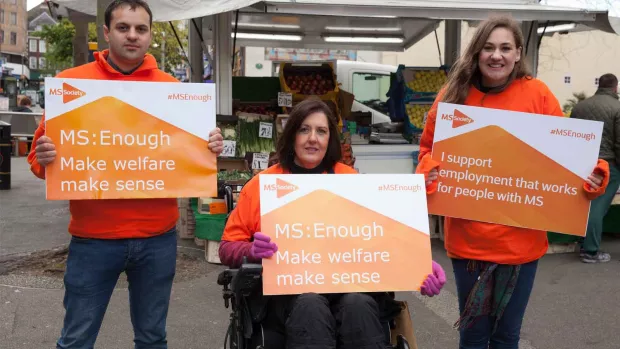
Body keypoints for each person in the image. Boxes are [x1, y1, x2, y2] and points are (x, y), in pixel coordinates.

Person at [27, 1, 224, 348]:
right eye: (123, 27)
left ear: (149, 34)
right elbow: (38, 161)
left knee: (152, 338)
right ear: (107, 32)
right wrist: (45, 157)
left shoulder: (172, 91)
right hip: (93, 239)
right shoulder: (71, 85)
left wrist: (209, 147)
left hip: (157, 238)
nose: (132, 35)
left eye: (141, 29)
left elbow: (186, 160)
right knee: (76, 339)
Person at [416, 15, 609, 349]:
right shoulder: (453, 96)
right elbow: (426, 151)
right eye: (488, 47)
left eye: (506, 48)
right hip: (469, 243)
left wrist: (594, 175)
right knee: (473, 335)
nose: (497, 56)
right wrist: (428, 171)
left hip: (521, 244)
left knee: (507, 336)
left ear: (518, 53)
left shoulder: (536, 94)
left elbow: (568, 156)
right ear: (477, 53)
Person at [219, 97, 447, 349]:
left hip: (351, 289)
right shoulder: (263, 185)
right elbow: (227, 248)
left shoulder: (350, 180)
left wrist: (421, 265)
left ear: (330, 139)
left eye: (321, 131)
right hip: (290, 295)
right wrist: (250, 251)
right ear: (292, 135)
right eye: (304, 129)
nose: (312, 138)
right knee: (310, 305)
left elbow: (385, 236)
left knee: (358, 306)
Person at [569, 73, 620, 263]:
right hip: (607, 165)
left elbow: (571, 134)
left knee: (585, 205)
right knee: (598, 207)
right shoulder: (617, 108)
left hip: (582, 162)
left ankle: (583, 242)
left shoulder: (580, 106)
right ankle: (590, 251)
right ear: (615, 87)